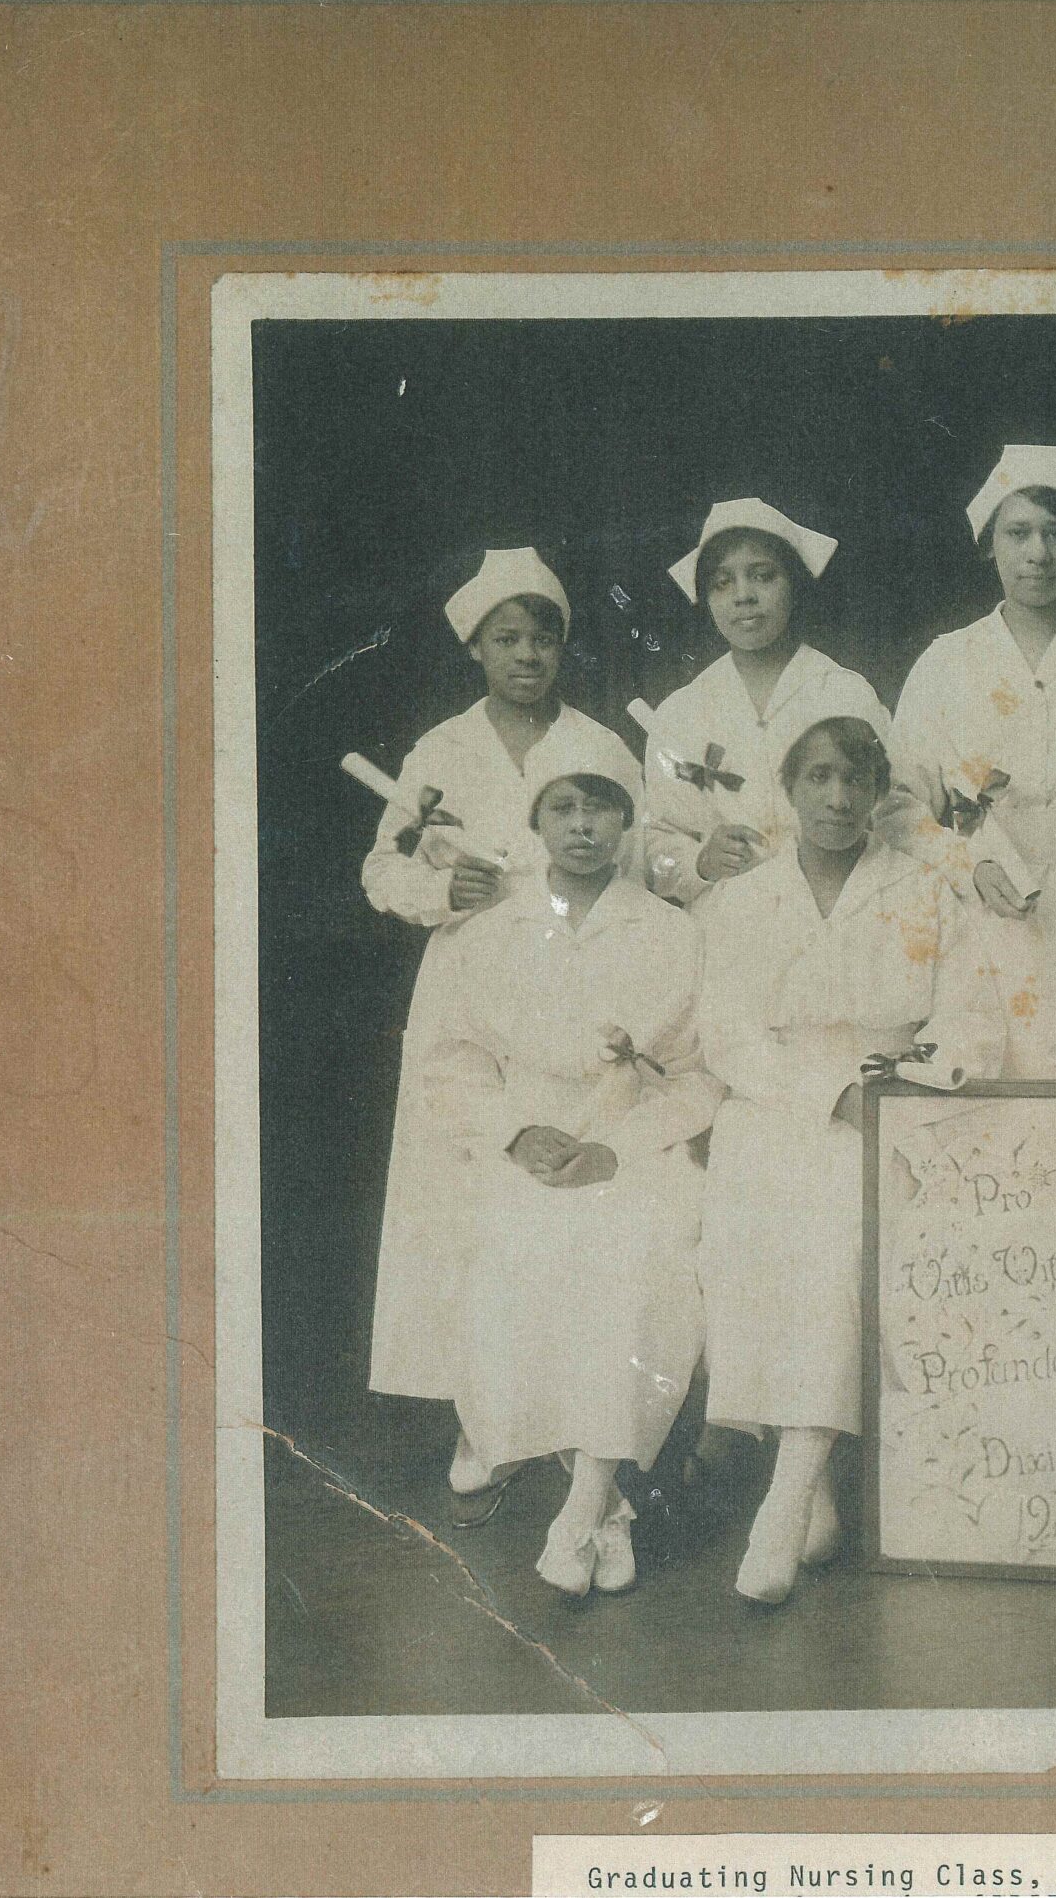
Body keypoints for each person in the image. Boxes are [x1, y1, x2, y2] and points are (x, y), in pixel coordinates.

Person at [698, 715, 1008, 1605]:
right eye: (820, 779)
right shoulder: (744, 899)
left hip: (892, 1109)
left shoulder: (925, 892)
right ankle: (819, 1491)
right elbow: (725, 1032)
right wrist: (821, 1094)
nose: (838, 799)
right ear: (789, 790)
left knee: (838, 1257)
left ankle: (783, 1501)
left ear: (879, 795)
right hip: (774, 1111)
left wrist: (912, 1089)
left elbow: (969, 1017)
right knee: (756, 1259)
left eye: (856, 782)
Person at [360, 548, 649, 1495]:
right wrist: (447, 885)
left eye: (543, 636)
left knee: (569, 1183)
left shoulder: (602, 745)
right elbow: (384, 869)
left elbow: (635, 869)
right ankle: (482, 1418)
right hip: (474, 984)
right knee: (470, 1192)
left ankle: (574, 1412)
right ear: (475, 647)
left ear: (565, 645)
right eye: (506, 638)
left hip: (580, 978)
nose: (527, 654)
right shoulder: (440, 752)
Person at [425, 748, 714, 1595]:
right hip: (526, 1145)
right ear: (535, 822)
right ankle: (609, 1510)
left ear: (627, 820)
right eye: (563, 808)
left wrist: (618, 1148)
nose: (583, 826)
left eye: (601, 808)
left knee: (635, 1273)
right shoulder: (491, 930)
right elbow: (451, 1063)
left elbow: (699, 1075)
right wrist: (516, 1133)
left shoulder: (671, 930)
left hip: (634, 1145)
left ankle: (580, 1509)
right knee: (514, 1268)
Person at [891, 445, 1056, 1071]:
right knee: (996, 1076)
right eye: (1018, 533)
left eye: (1055, 533)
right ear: (990, 545)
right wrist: (967, 865)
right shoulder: (946, 662)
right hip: (985, 903)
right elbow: (902, 807)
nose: (1037, 553)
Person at [638, 499, 897, 906]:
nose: (743, 596)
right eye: (723, 582)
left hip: (842, 915)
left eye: (762, 576)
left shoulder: (845, 692)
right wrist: (701, 862)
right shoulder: (681, 712)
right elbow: (654, 845)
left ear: (793, 583)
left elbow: (891, 814)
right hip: (730, 929)